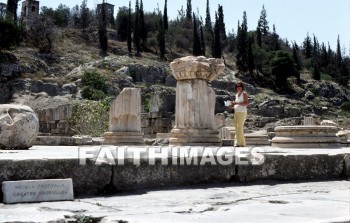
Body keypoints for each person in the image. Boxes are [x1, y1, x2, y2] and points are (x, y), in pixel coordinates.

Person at [231, 81, 248, 147]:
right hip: (236, 112)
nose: (238, 87)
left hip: (242, 112)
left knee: (239, 127)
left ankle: (237, 142)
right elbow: (236, 104)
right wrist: (231, 105)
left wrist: (237, 103)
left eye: (240, 86)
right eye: (237, 86)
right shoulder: (236, 95)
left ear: (242, 87)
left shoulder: (244, 94)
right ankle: (242, 143)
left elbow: (246, 103)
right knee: (237, 127)